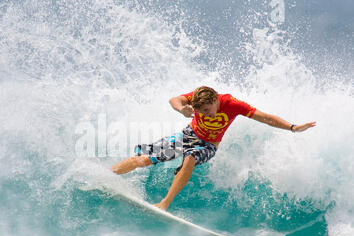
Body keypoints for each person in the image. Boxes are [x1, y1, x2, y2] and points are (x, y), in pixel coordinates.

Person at [110, 86, 316, 211]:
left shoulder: (233, 104)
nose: (206, 115)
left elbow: (265, 118)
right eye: (201, 112)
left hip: (209, 145)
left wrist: (292, 127)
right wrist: (182, 108)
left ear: (216, 100)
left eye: (208, 111)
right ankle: (108, 174)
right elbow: (175, 100)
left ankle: (164, 203)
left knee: (190, 158)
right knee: (146, 158)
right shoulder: (198, 98)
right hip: (187, 135)